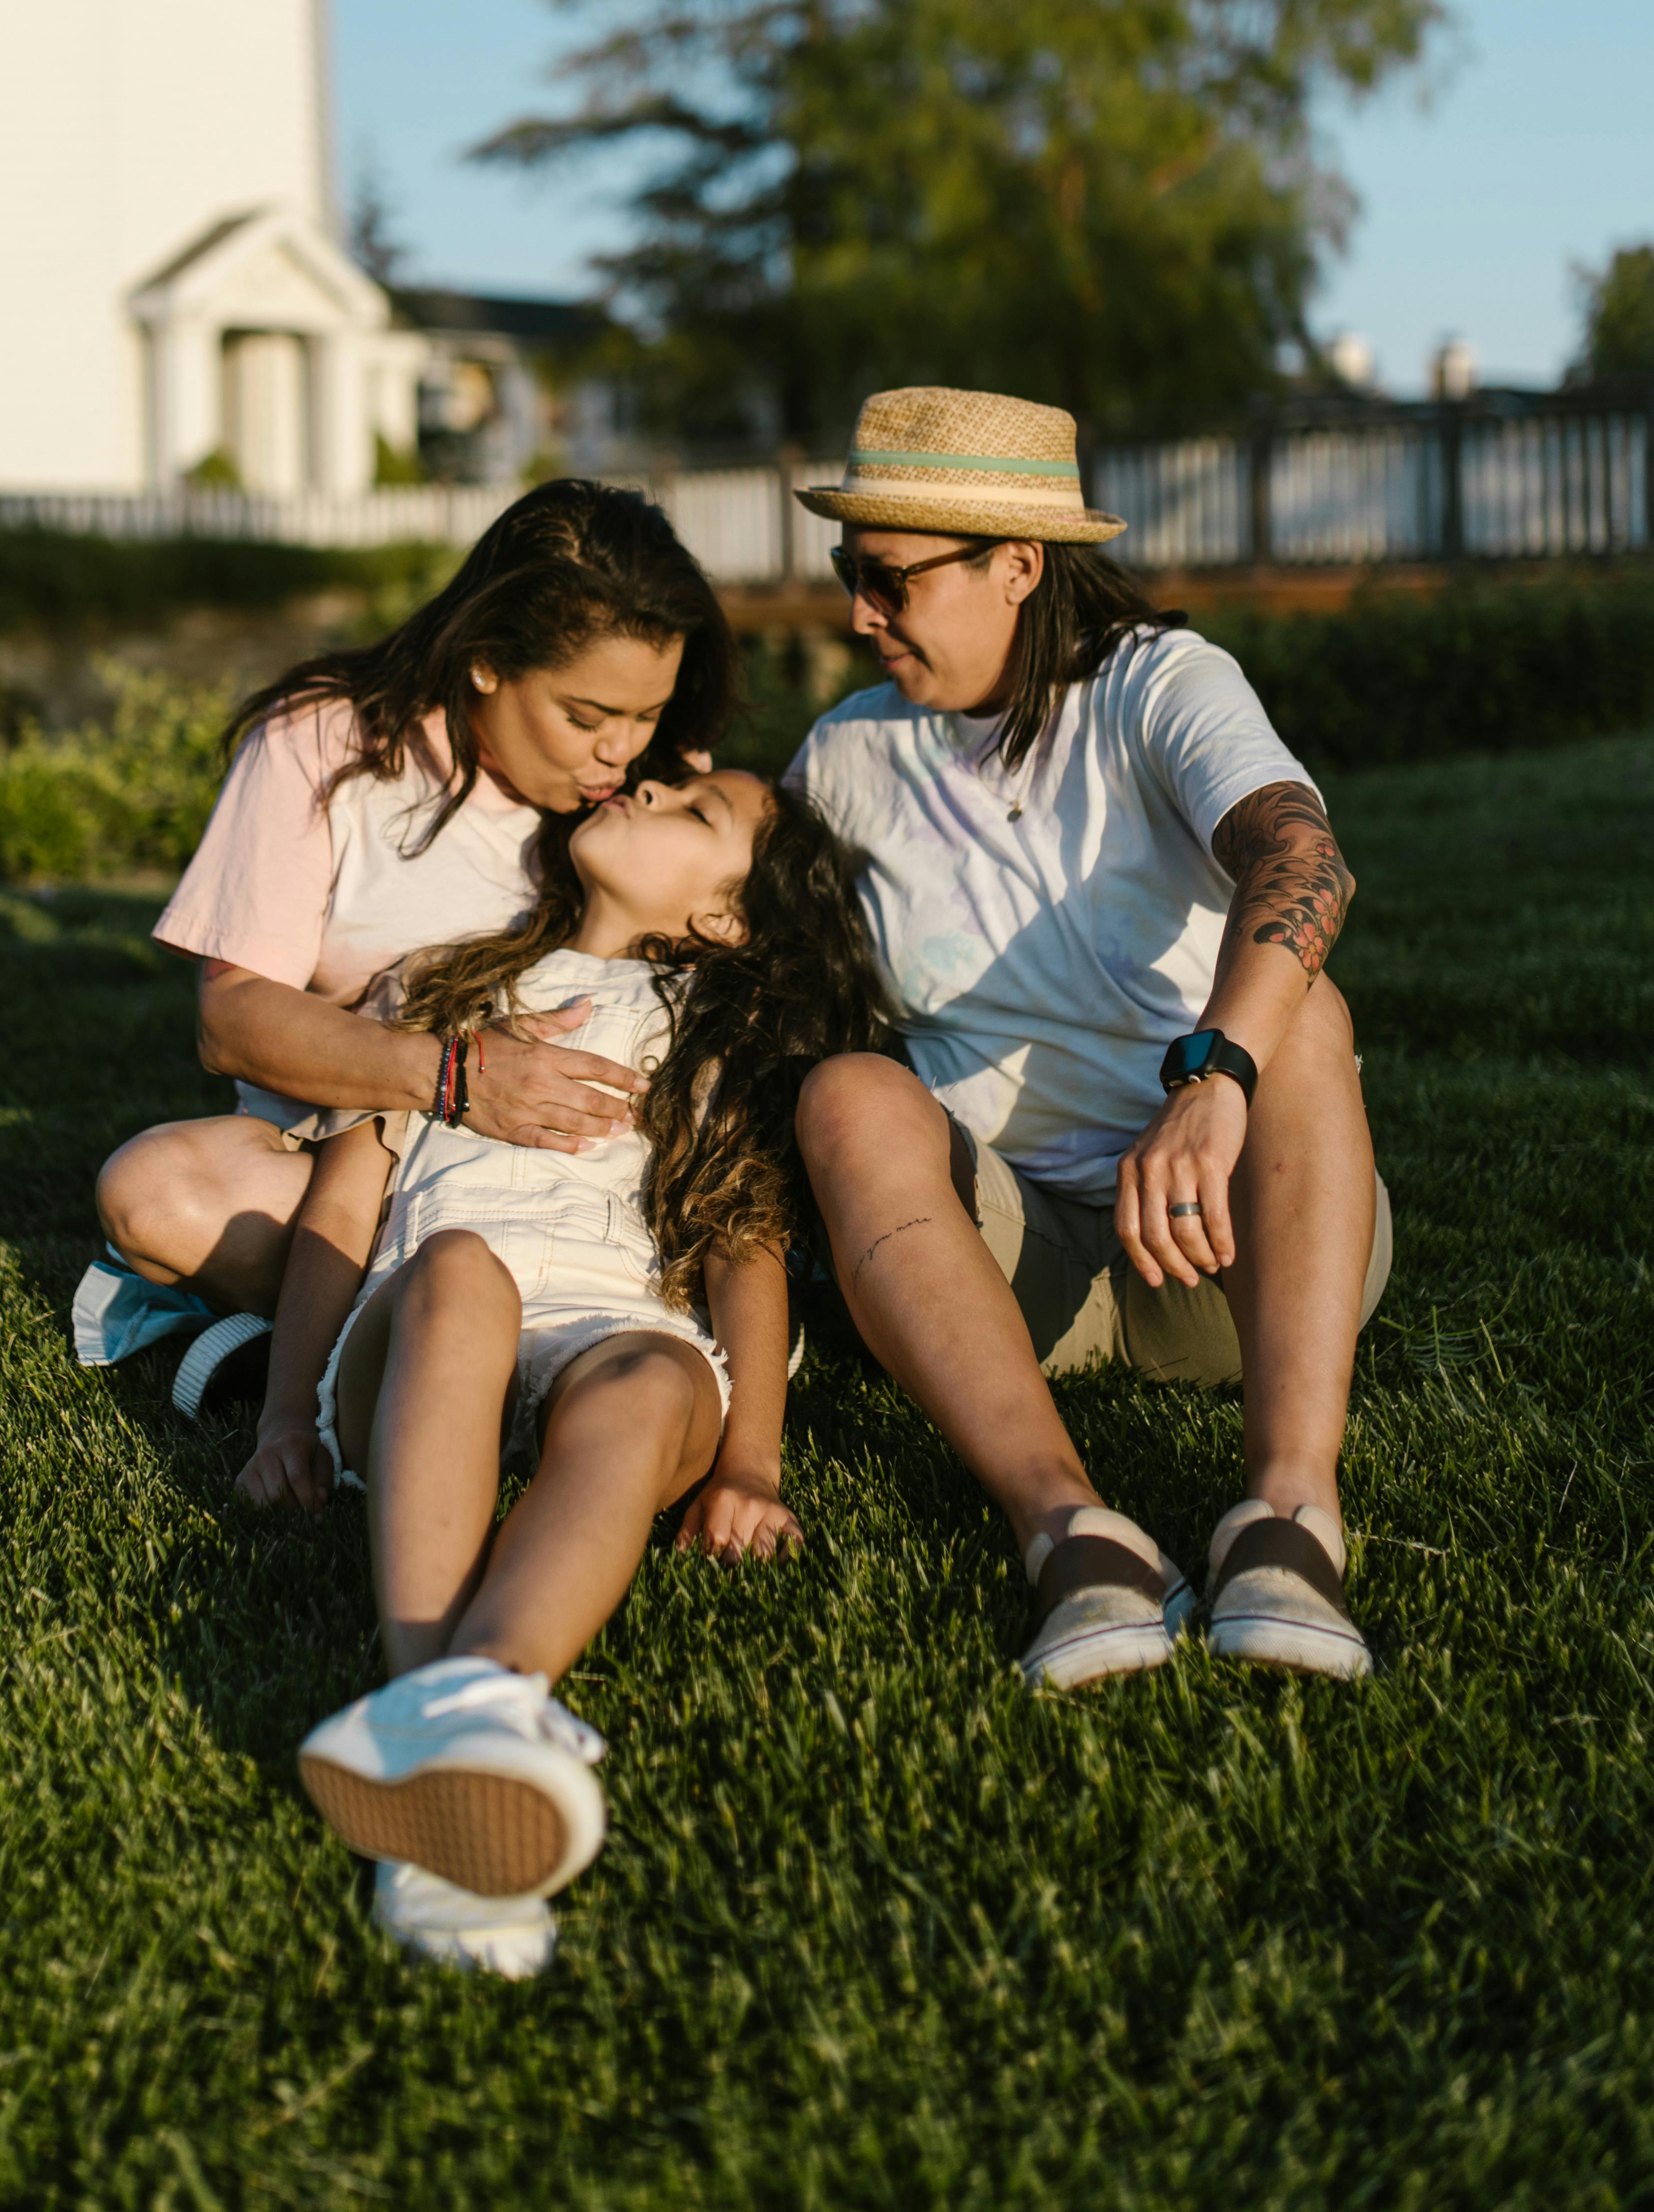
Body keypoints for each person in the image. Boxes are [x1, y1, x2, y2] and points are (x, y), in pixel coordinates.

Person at [788, 386, 1391, 1693]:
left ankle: (1289, 1517)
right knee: (845, 1094)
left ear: (1017, 564)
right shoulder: (844, 759)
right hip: (1002, 1269)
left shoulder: (1159, 686)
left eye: (886, 577)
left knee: (1308, 1017)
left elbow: (1302, 858)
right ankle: (1072, 1533)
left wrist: (1211, 1076)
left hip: (1239, 1241)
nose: (855, 613)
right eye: (849, 572)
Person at [238, 765, 883, 1978]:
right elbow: (343, 1202)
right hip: (427, 1326)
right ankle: (438, 1711)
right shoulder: (441, 988)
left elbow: (741, 1240)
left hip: (619, 1330)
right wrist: (288, 1413)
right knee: (462, 1267)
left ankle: (470, 1711)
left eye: (694, 812)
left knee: (643, 1376)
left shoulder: (714, 1030)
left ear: (723, 922)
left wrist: (749, 1459)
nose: (650, 780)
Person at [73, 481, 737, 1414]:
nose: (619, 757)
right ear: (486, 663)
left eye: (646, 715)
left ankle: (355, 1351)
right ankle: (392, 1341)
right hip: (361, 1165)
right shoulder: (327, 742)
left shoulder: (653, 798)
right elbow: (232, 1016)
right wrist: (454, 1075)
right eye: (584, 718)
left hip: (580, 1178)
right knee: (158, 1193)